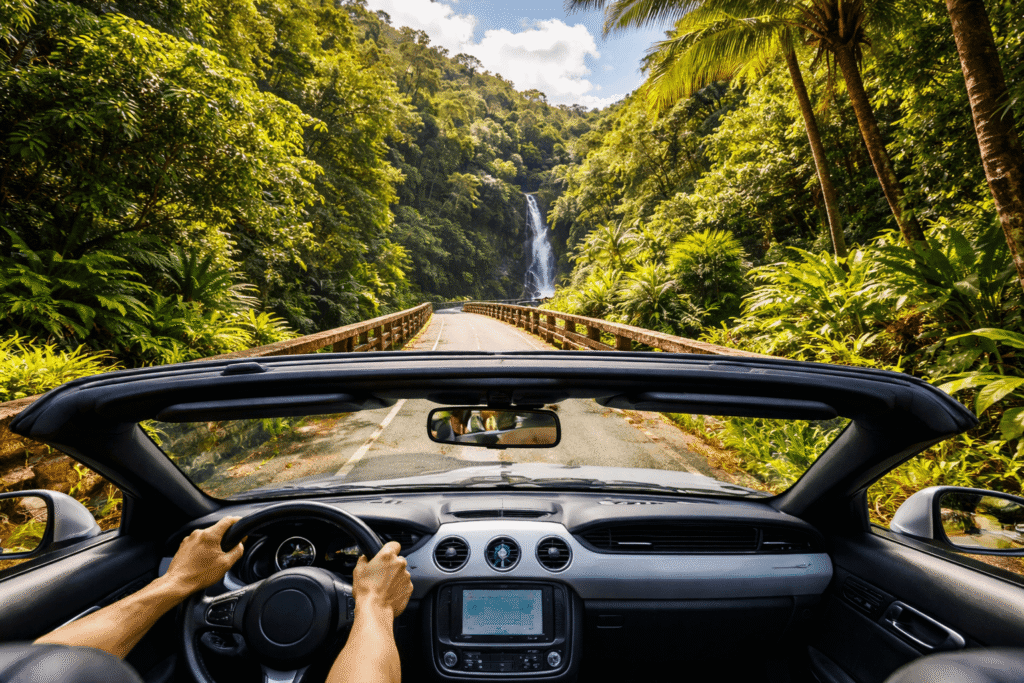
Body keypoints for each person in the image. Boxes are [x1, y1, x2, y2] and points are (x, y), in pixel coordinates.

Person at [34, 516, 413, 683]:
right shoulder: (373, 601)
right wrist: (374, 605)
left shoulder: (20, 671)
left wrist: (179, 581)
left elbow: (44, 667)